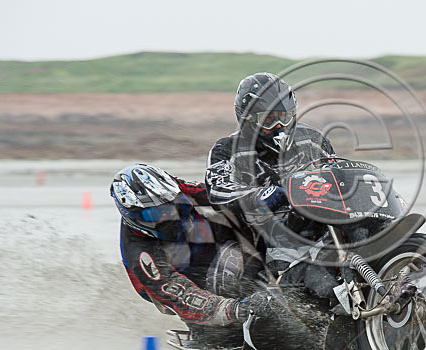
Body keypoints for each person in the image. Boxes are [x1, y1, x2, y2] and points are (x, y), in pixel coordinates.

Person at [110, 163, 272, 326]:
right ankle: (209, 327)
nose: (169, 214)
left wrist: (260, 196)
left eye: (170, 204)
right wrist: (234, 309)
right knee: (215, 293)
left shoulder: (172, 189)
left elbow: (217, 195)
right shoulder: (138, 251)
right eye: (154, 213)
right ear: (133, 216)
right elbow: (173, 289)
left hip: (196, 240)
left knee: (236, 217)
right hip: (166, 281)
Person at [204, 72, 335, 232]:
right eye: (268, 119)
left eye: (284, 117)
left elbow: (336, 173)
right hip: (254, 234)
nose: (279, 125)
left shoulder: (312, 139)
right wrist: (257, 196)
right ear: (248, 119)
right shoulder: (226, 149)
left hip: (313, 224)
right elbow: (218, 191)